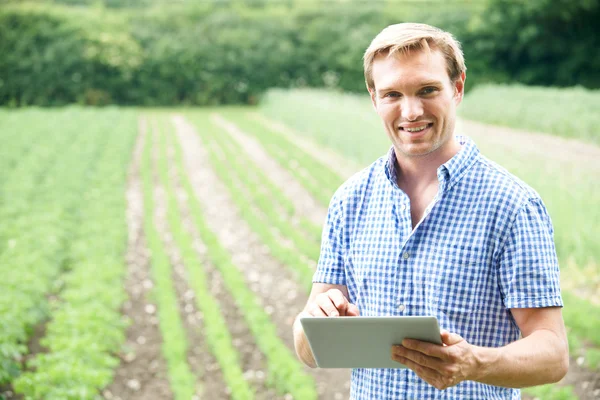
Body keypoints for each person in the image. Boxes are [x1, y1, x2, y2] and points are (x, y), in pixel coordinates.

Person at [292, 23, 569, 399]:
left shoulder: (512, 205)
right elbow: (307, 348)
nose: (411, 111)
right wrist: (317, 322)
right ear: (374, 98)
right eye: (392, 94)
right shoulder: (350, 199)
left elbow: (553, 353)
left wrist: (476, 363)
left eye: (427, 90)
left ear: (457, 87)